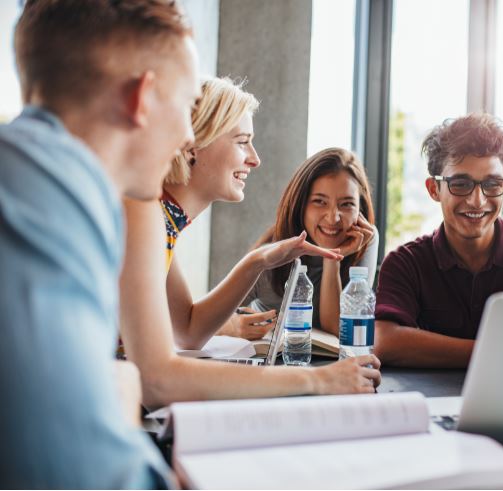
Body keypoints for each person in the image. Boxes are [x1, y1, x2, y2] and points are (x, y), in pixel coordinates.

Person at [0, 0, 200, 487]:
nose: (190, 134)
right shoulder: (51, 192)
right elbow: (80, 471)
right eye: (189, 105)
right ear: (143, 98)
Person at [120, 77, 381, 408]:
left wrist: (257, 261)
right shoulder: (145, 216)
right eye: (242, 141)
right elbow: (158, 380)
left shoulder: (163, 222)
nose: (255, 159)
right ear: (193, 144)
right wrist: (319, 379)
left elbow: (187, 330)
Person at [374, 113, 503, 368]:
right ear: (433, 189)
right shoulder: (405, 263)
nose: (477, 200)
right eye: (460, 184)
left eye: (492, 184)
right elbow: (386, 341)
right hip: (428, 404)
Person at [243, 147, 378, 335]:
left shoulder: (365, 238)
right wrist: (237, 326)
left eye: (347, 204)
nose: (333, 218)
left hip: (328, 361)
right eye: (319, 201)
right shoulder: (271, 256)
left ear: (360, 209)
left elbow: (338, 329)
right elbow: (214, 319)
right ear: (301, 205)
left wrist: (332, 258)